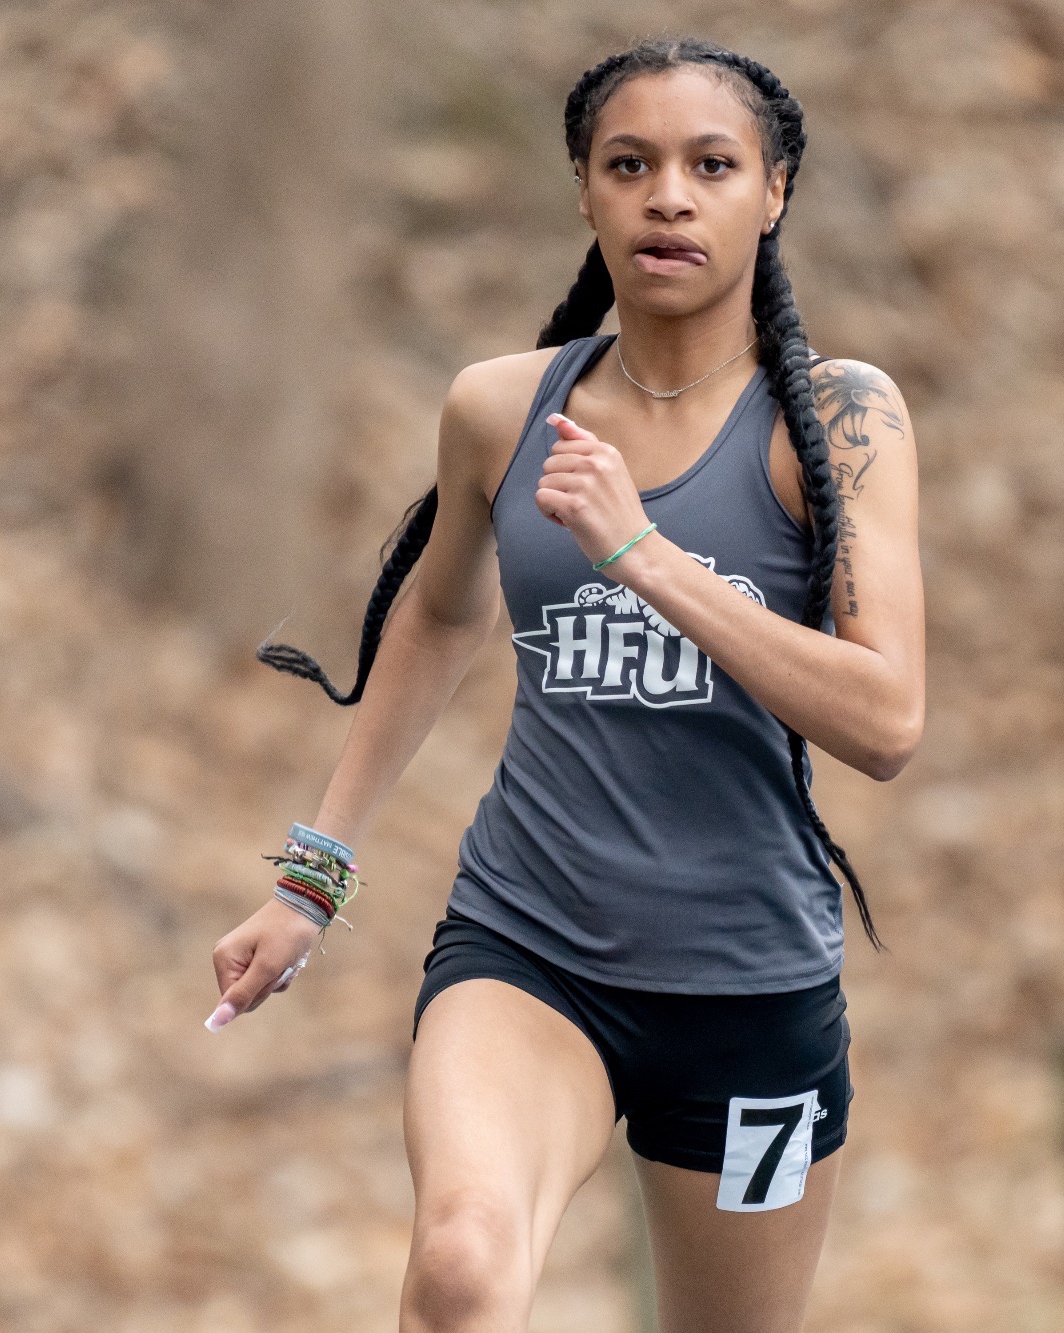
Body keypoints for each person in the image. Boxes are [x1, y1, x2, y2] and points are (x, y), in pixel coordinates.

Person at [209, 36, 924, 1333]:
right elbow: (436, 622)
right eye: (630, 164)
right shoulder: (502, 409)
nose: (669, 195)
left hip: (750, 992)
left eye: (712, 165)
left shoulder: (837, 422)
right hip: (529, 946)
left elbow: (886, 720)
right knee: (465, 1268)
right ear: (586, 195)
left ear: (774, 193)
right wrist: (312, 876)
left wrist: (641, 554)